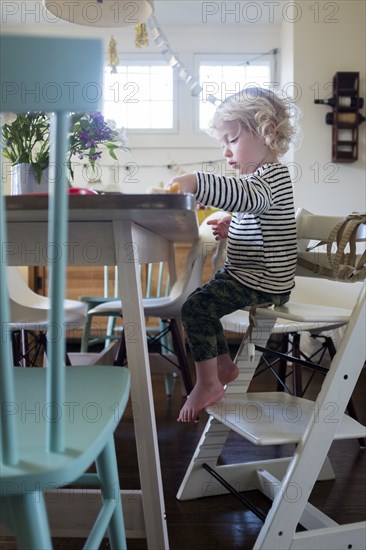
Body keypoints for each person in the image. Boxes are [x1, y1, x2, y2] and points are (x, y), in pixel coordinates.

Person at [168, 87, 299, 422]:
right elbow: (255, 210)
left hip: (263, 279)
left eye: (232, 139)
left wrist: (196, 181)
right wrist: (234, 225)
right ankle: (223, 365)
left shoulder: (271, 177)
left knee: (195, 308)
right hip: (254, 274)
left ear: (267, 132)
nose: (226, 152)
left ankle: (208, 383)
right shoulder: (260, 180)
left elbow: (249, 198)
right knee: (201, 302)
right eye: (223, 143)